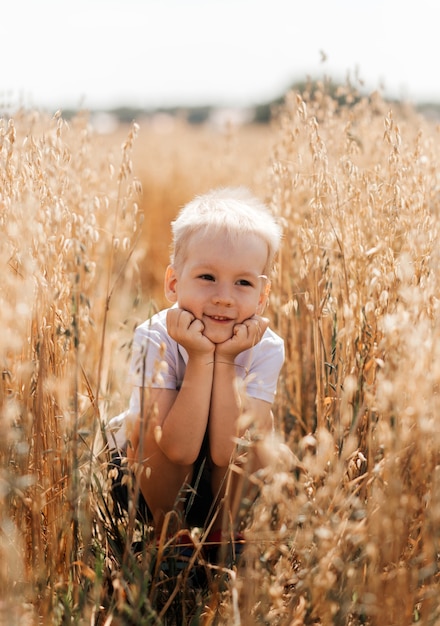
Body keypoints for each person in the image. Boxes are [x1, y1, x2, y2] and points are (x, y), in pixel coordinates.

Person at [107, 186, 284, 556]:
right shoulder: (154, 336)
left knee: (258, 440)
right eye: (207, 278)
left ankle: (224, 534)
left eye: (243, 283)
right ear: (174, 283)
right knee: (149, 428)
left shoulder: (266, 347)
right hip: (148, 486)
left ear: (261, 297)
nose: (224, 296)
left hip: (225, 485)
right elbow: (177, 446)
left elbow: (228, 453)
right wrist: (202, 358)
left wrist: (226, 362)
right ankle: (169, 535)